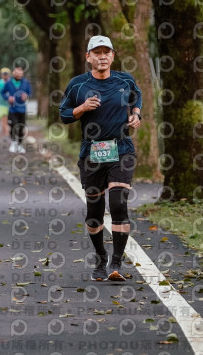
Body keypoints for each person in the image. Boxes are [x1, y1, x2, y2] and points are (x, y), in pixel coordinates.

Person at [59, 35, 142, 281]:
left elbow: (136, 97)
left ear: (113, 56)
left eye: (107, 52)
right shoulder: (77, 85)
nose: (102, 56)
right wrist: (82, 108)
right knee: (94, 212)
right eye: (97, 52)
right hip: (92, 152)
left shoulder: (125, 80)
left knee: (118, 203)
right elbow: (64, 114)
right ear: (88, 57)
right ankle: (100, 257)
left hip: (122, 149)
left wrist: (136, 114)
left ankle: (117, 263)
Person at [3, 66, 32, 153]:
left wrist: (26, 96)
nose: (18, 74)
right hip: (12, 109)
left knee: (21, 127)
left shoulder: (26, 83)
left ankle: (19, 144)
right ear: (13, 73)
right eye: (17, 72)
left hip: (22, 109)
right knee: (13, 125)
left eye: (20, 73)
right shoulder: (9, 83)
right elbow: (3, 93)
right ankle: (13, 142)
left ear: (22, 73)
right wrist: (8, 98)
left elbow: (30, 93)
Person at [0, 67, 11, 139]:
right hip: (2, 104)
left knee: (10, 120)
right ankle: (6, 134)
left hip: (11, 104)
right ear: (2, 75)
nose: (5, 75)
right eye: (4, 74)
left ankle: (8, 133)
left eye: (6, 74)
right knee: (4, 120)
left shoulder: (12, 82)